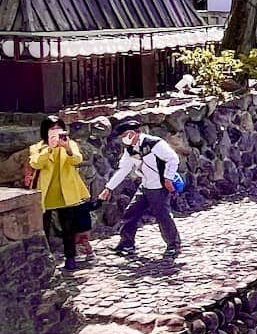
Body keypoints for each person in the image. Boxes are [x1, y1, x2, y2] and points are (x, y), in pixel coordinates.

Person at [99, 117, 183, 257]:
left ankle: (173, 245)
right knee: (131, 213)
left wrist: (168, 178)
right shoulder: (130, 150)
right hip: (145, 186)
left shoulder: (154, 143)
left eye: (123, 136)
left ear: (131, 133)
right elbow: (123, 170)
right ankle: (126, 244)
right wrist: (109, 188)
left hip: (159, 186)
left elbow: (173, 158)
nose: (122, 139)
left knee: (163, 216)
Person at [27, 115, 93, 272]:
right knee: (44, 228)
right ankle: (45, 260)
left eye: (58, 128)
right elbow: (35, 163)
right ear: (46, 131)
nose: (56, 131)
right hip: (46, 194)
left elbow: (77, 160)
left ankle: (70, 258)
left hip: (66, 194)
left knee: (68, 228)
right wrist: (49, 148)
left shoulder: (70, 144)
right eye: (52, 128)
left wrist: (66, 148)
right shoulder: (37, 147)